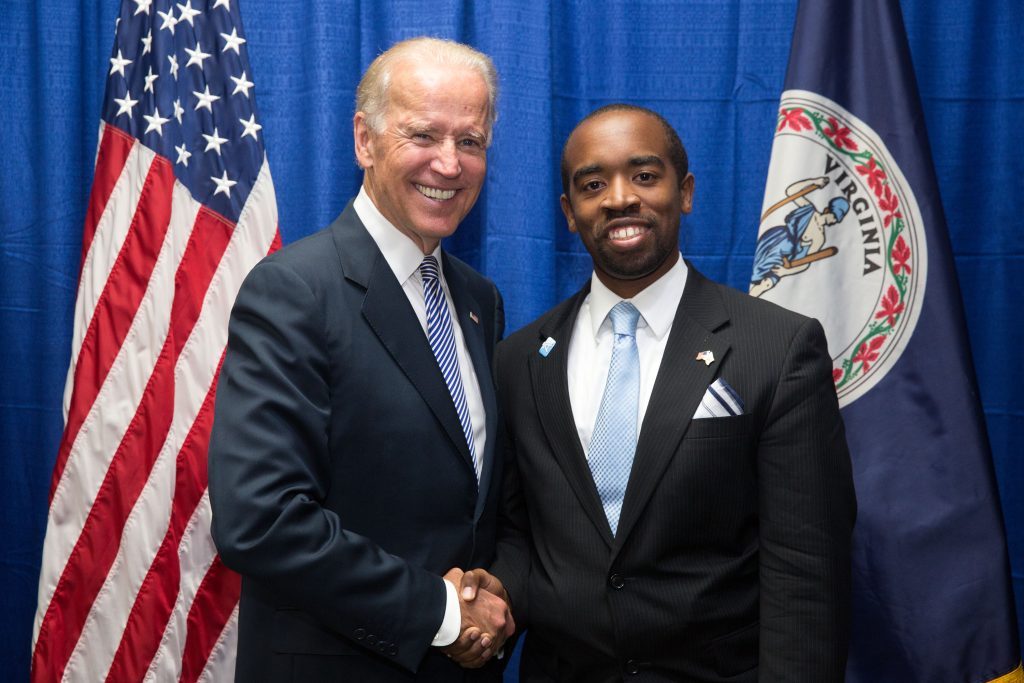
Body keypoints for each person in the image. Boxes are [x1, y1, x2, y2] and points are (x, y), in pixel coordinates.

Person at [467, 104, 856, 681]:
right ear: (569, 213)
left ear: (686, 192)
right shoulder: (519, 358)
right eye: (593, 184)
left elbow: (806, 567)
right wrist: (493, 592)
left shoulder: (776, 347)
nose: (620, 198)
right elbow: (525, 536)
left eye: (645, 176)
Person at [207, 37, 513, 682]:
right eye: (423, 135)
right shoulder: (294, 290)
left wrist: (489, 597)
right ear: (365, 140)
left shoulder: (479, 299)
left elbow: (468, 501)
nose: (450, 164)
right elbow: (260, 521)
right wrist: (442, 612)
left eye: (472, 141)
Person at [749, 177, 850, 297]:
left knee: (766, 284)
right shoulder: (809, 210)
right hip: (776, 242)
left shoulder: (819, 238)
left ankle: (745, 311)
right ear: (827, 209)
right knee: (754, 274)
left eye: (836, 219)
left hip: (786, 259)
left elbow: (805, 262)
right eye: (833, 215)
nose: (833, 220)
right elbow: (791, 192)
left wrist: (786, 271)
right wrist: (814, 182)